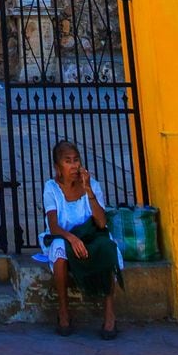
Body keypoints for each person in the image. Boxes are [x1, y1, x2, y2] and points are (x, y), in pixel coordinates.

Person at [41, 138, 123, 339]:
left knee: (107, 247)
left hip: (91, 235)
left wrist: (88, 190)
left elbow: (102, 223)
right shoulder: (51, 188)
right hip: (64, 236)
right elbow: (53, 226)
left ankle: (110, 313)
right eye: (67, 160)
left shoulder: (92, 185)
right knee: (59, 250)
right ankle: (63, 312)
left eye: (76, 160)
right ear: (58, 167)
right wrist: (72, 239)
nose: (74, 165)